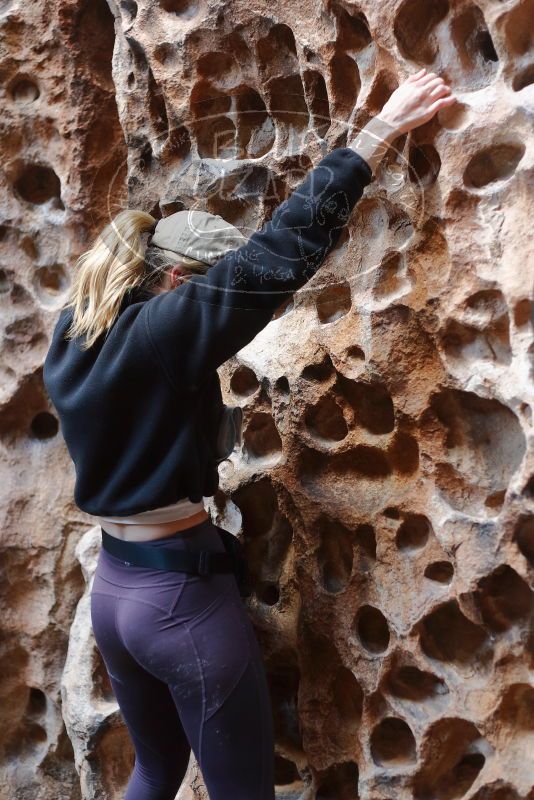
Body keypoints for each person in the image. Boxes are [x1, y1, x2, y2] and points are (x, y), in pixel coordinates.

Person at [43, 69, 456, 800]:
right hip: (180, 603)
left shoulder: (76, 330)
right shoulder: (166, 332)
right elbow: (277, 254)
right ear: (177, 284)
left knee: (157, 770)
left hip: (115, 592)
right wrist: (379, 132)